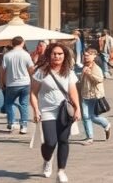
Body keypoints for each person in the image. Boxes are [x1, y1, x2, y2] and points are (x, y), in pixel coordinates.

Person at [30, 42, 80, 183]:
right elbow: (33, 93)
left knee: (64, 140)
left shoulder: (69, 72)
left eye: (60, 54)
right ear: (49, 55)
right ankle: (47, 159)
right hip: (47, 111)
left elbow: (73, 92)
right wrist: (36, 110)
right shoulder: (41, 72)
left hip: (65, 110)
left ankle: (61, 171)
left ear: (64, 56)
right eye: (54, 53)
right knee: (50, 142)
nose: (57, 56)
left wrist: (78, 109)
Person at [1, 36, 34, 135]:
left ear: (12, 43)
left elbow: (3, 71)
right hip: (25, 83)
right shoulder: (26, 55)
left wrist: (3, 82)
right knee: (24, 104)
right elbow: (31, 68)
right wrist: (32, 80)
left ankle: (12, 122)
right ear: (22, 43)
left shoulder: (7, 55)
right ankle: (23, 126)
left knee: (9, 103)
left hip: (11, 83)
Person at [78, 48, 111, 144]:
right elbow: (80, 81)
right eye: (85, 55)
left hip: (94, 95)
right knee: (85, 116)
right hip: (84, 94)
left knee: (93, 117)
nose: (86, 57)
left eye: (88, 55)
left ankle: (106, 124)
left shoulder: (96, 68)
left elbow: (99, 80)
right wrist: (82, 74)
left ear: (94, 56)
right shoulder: (83, 67)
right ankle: (89, 137)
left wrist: (89, 74)